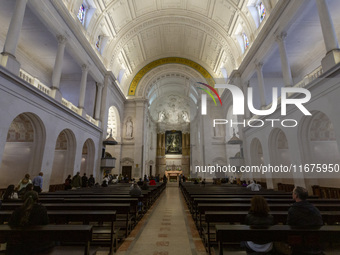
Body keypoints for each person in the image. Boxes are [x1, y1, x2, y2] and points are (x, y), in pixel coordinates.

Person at [287, 186, 324, 255]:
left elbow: (289, 225)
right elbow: (320, 223)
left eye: (293, 193)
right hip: (315, 241)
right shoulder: (314, 209)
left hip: (299, 244)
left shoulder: (292, 210)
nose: (292, 194)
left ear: (296, 195)